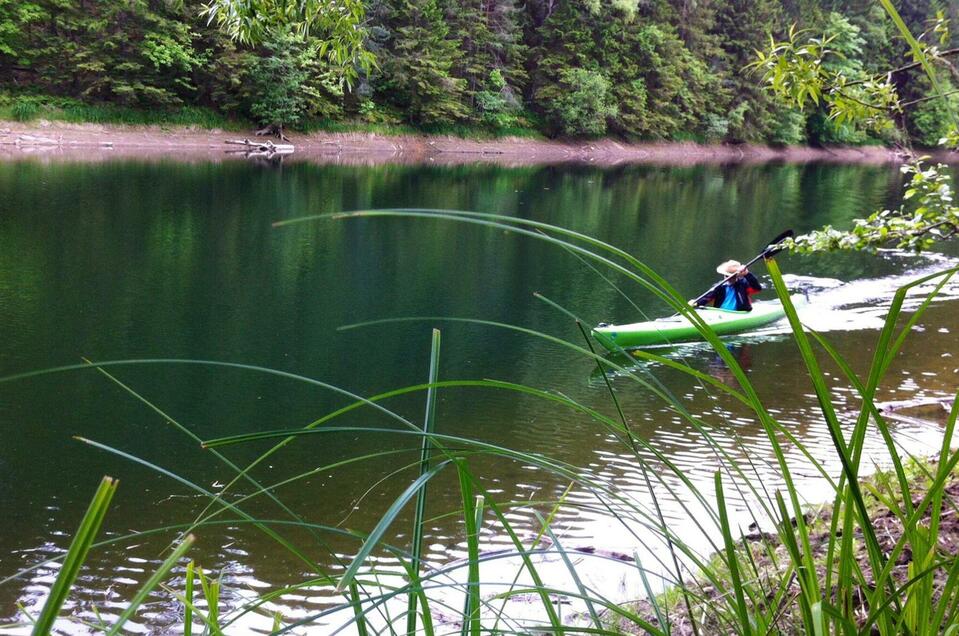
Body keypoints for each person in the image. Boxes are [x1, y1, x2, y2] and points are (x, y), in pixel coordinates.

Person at [693, 260, 763, 311]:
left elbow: (757, 288)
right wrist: (696, 303)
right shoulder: (719, 286)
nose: (727, 278)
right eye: (726, 275)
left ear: (737, 276)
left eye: (731, 276)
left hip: (739, 313)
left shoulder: (743, 284)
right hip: (720, 314)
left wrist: (747, 274)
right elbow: (707, 298)